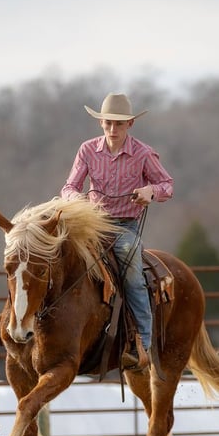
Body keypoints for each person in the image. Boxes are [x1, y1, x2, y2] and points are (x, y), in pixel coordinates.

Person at [61, 92, 174, 371]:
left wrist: (150, 191)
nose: (113, 129)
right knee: (57, 257)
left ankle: (142, 344)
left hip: (125, 226)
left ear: (130, 125)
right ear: (101, 122)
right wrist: (75, 201)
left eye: (119, 124)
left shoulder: (144, 154)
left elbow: (167, 185)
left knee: (132, 271)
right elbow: (69, 187)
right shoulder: (87, 150)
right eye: (108, 123)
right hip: (92, 224)